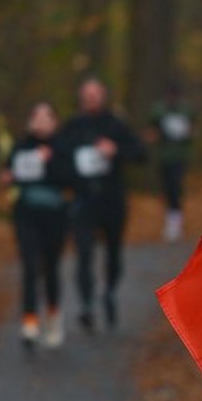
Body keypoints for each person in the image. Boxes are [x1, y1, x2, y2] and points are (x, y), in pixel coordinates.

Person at [57, 78, 146, 330]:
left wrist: (115, 150)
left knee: (113, 251)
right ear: (81, 98)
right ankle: (86, 303)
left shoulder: (116, 125)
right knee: (83, 252)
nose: (91, 99)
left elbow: (140, 153)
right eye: (87, 95)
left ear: (103, 96)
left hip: (112, 200)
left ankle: (109, 292)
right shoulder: (73, 127)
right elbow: (58, 157)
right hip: (83, 200)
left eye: (96, 94)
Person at [2, 100, 70, 351]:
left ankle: (53, 316)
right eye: (36, 117)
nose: (40, 122)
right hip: (26, 216)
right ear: (30, 121)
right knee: (30, 266)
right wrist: (9, 177)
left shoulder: (63, 146)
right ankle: (29, 322)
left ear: (54, 121)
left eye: (46, 117)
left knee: (50, 267)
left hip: (55, 217)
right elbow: (9, 173)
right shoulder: (21, 146)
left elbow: (70, 177)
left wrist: (46, 163)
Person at [147, 82, 195, 242]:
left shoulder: (186, 110)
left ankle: (175, 221)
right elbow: (151, 131)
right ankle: (170, 218)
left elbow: (193, 130)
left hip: (179, 155)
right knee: (167, 187)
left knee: (176, 186)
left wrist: (185, 133)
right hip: (164, 155)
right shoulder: (159, 110)